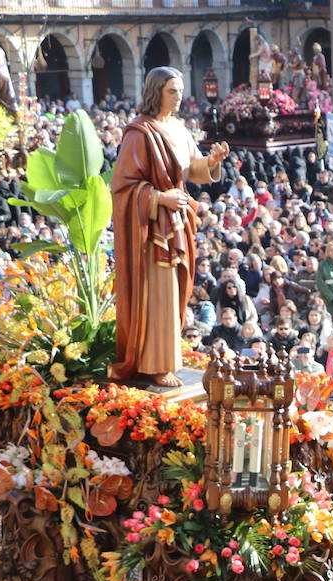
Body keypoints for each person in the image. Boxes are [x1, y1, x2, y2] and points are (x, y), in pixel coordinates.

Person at [110, 67, 228, 387]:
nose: (178, 97)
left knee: (176, 293)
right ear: (156, 92)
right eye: (172, 91)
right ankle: (154, 363)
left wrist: (213, 161)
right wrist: (160, 199)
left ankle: (168, 358)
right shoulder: (139, 132)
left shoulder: (178, 128)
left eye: (180, 90)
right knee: (159, 294)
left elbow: (192, 169)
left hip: (176, 222)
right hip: (152, 230)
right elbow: (123, 186)